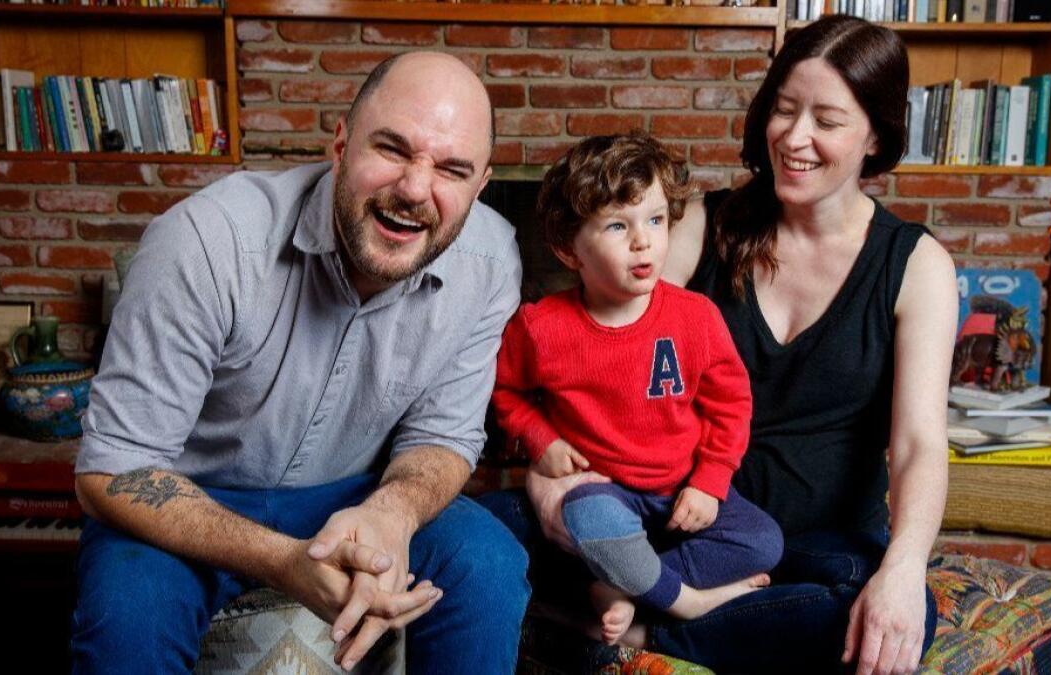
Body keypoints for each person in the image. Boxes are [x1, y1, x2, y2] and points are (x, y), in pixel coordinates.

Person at [482, 15, 956, 674]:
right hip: (667, 516)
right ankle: (671, 602)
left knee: (879, 613)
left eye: (827, 120)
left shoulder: (917, 265)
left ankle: (640, 625)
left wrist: (904, 568)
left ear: (876, 133)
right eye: (784, 110)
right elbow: (603, 342)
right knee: (484, 526)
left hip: (814, 543)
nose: (795, 137)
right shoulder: (705, 224)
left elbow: (918, 444)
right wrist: (543, 477)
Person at [71, 51, 529, 674]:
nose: (416, 189)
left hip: (356, 495)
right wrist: (287, 561)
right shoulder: (207, 241)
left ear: (480, 184)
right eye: (392, 149)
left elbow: (443, 436)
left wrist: (390, 516)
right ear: (340, 143)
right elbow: (113, 470)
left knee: (490, 561)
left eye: (452, 169)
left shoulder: (491, 260)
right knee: (128, 608)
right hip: (189, 502)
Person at [492, 134, 784, 645]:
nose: (643, 241)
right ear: (569, 249)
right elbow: (506, 392)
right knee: (589, 516)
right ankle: (686, 600)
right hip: (605, 488)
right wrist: (541, 440)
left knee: (764, 542)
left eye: (654, 220)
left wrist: (710, 482)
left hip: (680, 487)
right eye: (616, 226)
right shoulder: (541, 327)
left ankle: (621, 582)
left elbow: (731, 404)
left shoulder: (696, 317)